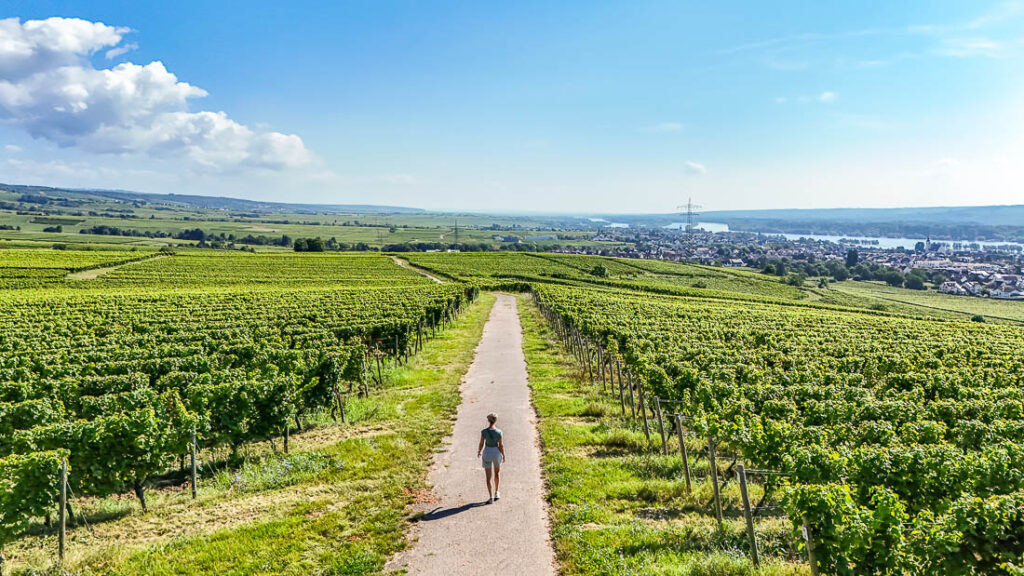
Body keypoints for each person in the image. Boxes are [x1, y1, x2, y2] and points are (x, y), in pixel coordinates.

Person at [476, 412, 505, 503]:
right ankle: (497, 492)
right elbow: (501, 445)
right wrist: (503, 455)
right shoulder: (499, 432)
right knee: (497, 474)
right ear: (495, 421)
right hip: (496, 452)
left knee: (488, 477)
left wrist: (479, 451)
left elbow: (481, 443)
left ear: (488, 420)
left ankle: (491, 497)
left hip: (487, 452)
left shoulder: (484, 432)